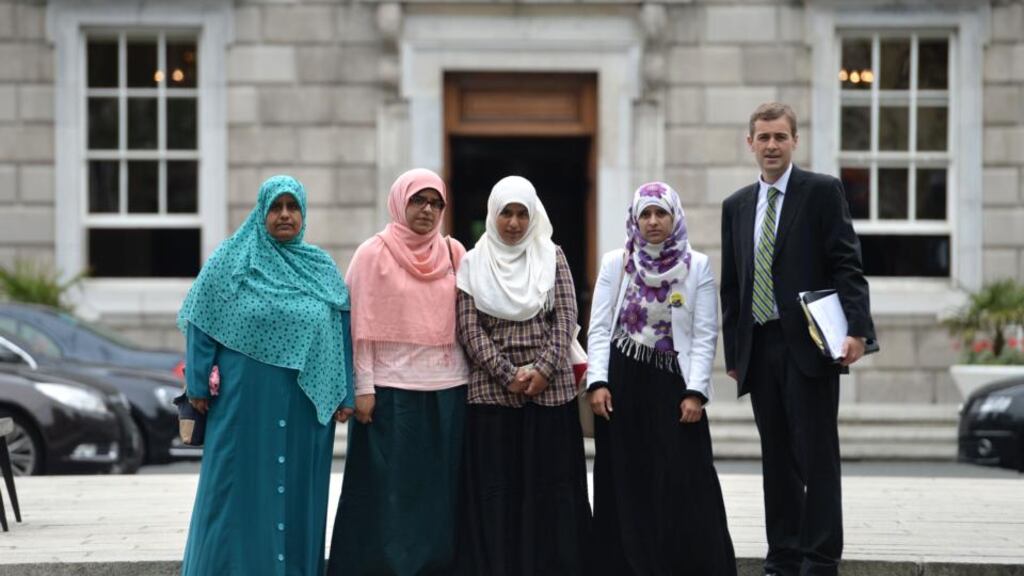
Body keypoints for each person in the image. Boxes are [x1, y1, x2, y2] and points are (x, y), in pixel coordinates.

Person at [720, 102, 876, 576]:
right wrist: (735, 353)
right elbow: (734, 285)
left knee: (816, 455)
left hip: (811, 344)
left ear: (794, 141)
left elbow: (847, 263)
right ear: (750, 143)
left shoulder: (822, 193)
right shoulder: (736, 205)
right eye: (763, 138)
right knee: (776, 457)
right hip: (760, 346)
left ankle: (820, 558)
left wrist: (857, 331)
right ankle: (784, 555)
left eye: (780, 137)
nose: (771, 146)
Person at [178, 175, 354, 575]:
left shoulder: (321, 268)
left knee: (296, 492)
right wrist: (198, 382)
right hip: (243, 402)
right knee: (234, 490)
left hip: (304, 407)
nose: (285, 215)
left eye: (293, 207)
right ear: (262, 213)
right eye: (276, 207)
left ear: (304, 214)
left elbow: (341, 327)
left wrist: (346, 391)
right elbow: (201, 319)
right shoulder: (232, 260)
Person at [586, 181, 735, 576]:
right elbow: (599, 328)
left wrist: (696, 392)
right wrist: (597, 382)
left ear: (674, 216)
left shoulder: (697, 266)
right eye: (645, 214)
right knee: (625, 477)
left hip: (673, 385)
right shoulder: (617, 263)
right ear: (635, 219)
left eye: (661, 213)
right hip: (623, 382)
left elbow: (705, 334)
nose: (653, 222)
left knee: (685, 478)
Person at [327, 168, 469, 576]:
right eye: (418, 201)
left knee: (438, 492)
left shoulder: (455, 253)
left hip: (448, 389)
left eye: (435, 203)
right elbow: (358, 326)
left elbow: (470, 320)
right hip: (389, 391)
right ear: (399, 202)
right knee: (389, 493)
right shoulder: (373, 253)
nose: (427, 210)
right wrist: (363, 387)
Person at [454, 175, 591, 576]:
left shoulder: (552, 256)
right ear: (492, 215)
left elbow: (566, 317)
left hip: (550, 396)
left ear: (533, 217)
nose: (513, 223)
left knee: (552, 491)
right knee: (498, 493)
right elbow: (468, 327)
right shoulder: (472, 264)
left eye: (521, 214)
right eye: (505, 214)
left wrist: (544, 369)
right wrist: (507, 373)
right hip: (492, 397)